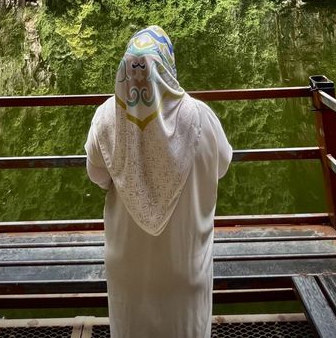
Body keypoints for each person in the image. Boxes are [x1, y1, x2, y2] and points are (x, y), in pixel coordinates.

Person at [85, 25, 232, 338]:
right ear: (168, 67)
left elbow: (97, 175)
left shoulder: (105, 118)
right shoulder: (201, 117)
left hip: (128, 265)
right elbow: (221, 165)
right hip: (186, 260)